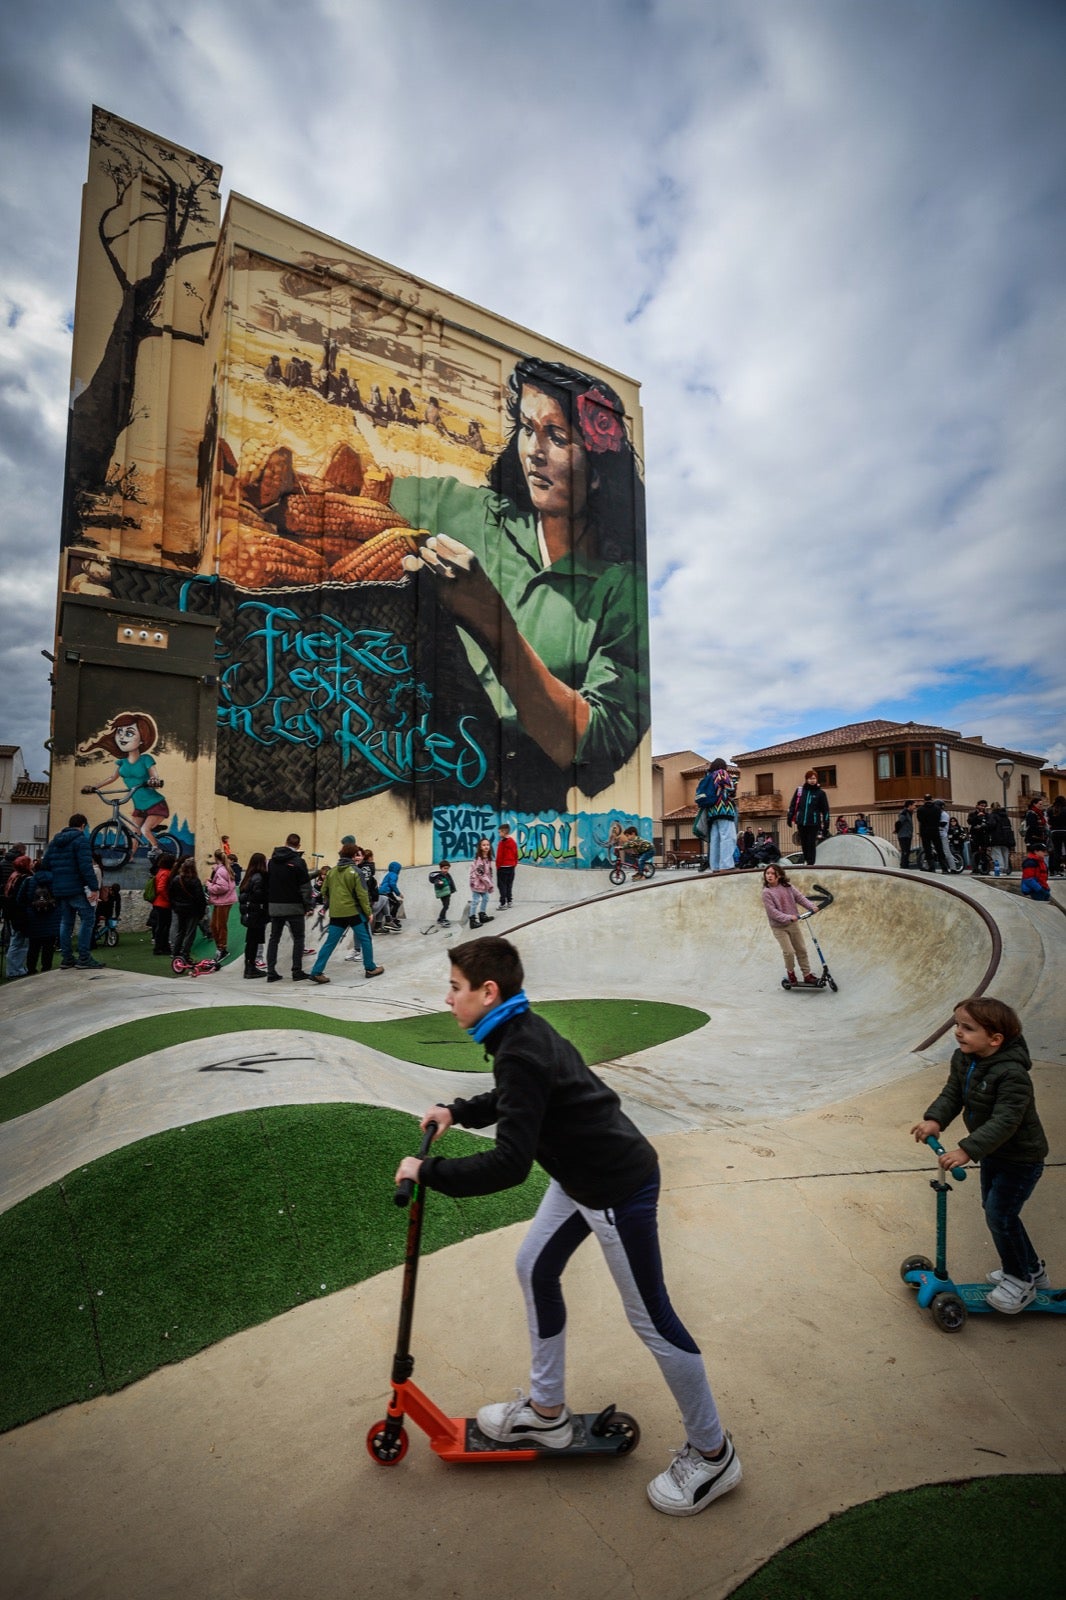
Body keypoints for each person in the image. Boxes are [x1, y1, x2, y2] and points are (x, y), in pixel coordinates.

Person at [395, 936, 741, 1517]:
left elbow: (509, 1165)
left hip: (614, 1188)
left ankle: (713, 1454)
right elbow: (517, 1098)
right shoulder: (519, 1032)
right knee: (535, 1267)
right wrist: (459, 1110)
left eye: (455, 988)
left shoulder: (520, 1047)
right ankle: (546, 1413)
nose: (448, 998)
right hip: (580, 1179)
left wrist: (428, 1170)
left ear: (488, 992)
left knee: (654, 1321)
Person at [393, 357, 649, 809]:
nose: (534, 449)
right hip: (417, 783)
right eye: (527, 429)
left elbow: (591, 744)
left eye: (557, 437)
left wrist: (490, 621)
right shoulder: (476, 514)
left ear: (596, 475)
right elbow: (365, 488)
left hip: (528, 822)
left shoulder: (619, 591)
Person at [911, 996, 1048, 1314]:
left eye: (968, 1028)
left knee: (1000, 1216)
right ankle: (1033, 1271)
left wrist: (966, 1150)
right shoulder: (964, 1059)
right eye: (957, 1024)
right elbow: (953, 1094)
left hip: (1021, 1158)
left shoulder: (1012, 1075)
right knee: (998, 1212)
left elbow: (1006, 1121)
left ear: (995, 1039)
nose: (958, 1032)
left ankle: (1020, 1281)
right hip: (994, 1154)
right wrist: (935, 1119)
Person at [77, 711, 170, 854]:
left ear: (142, 739)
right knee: (134, 832)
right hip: (139, 806)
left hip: (155, 804)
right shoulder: (122, 762)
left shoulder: (146, 759)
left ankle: (157, 850)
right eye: (119, 732)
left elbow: (154, 775)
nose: (121, 736)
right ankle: (130, 857)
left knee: (144, 829)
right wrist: (94, 787)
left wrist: (154, 781)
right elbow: (112, 778)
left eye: (129, 733)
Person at [308, 842, 384, 983]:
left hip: (337, 913)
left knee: (330, 942)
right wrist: (368, 912)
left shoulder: (332, 872)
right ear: (353, 855)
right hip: (354, 912)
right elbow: (362, 894)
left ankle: (316, 971)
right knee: (366, 939)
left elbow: (324, 891)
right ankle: (370, 967)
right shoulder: (357, 872)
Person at [39, 813, 100, 970]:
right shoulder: (81, 841)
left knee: (66, 923)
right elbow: (86, 867)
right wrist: (94, 887)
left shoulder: (54, 842)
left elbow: (45, 864)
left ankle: (67, 958)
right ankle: (84, 958)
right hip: (77, 888)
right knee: (88, 920)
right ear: (82, 826)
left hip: (59, 890)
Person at [760, 864, 818, 985]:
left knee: (801, 949)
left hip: (793, 924)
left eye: (772, 873)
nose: (769, 876)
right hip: (779, 927)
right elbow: (773, 912)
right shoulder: (767, 892)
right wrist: (788, 917)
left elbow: (800, 898)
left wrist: (811, 906)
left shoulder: (788, 887)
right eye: (767, 873)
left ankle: (807, 974)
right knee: (789, 952)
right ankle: (791, 973)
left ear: (779, 875)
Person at [266, 833, 312, 982]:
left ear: (285, 842)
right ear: (298, 846)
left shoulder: (272, 861)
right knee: (298, 938)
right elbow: (305, 887)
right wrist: (308, 905)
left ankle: (271, 971)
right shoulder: (299, 862)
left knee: (274, 938)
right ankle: (296, 970)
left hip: (275, 905)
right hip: (294, 906)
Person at [695, 759, 738, 873]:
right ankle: (726, 865)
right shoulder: (721, 773)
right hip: (724, 809)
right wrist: (734, 781)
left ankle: (715, 866)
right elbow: (730, 789)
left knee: (715, 839)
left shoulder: (708, 776)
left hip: (712, 811)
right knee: (728, 837)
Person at [168, 857, 207, 966]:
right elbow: (200, 898)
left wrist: (175, 906)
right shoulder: (195, 881)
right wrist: (202, 912)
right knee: (190, 933)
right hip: (192, 910)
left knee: (181, 931)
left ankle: (175, 952)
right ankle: (185, 953)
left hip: (180, 909)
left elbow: (171, 895)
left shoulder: (176, 879)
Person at [787, 770, 830, 867]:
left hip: (813, 823)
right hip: (801, 822)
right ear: (806, 779)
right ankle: (806, 860)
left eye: (814, 778)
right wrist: (789, 817)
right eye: (810, 778)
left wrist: (826, 824)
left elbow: (825, 810)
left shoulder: (821, 793)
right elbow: (793, 805)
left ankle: (811, 863)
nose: (812, 780)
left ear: (817, 780)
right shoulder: (800, 791)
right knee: (804, 843)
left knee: (811, 843)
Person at [238, 852, 269, 978]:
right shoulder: (259, 877)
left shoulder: (249, 876)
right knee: (254, 941)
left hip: (250, 914)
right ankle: (251, 968)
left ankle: (249, 966)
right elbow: (259, 895)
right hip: (257, 914)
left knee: (251, 941)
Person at [24, 863, 60, 975]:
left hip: (33, 917)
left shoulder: (29, 880)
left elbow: (21, 898)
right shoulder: (55, 880)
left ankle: (31, 969)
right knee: (48, 947)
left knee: (33, 947)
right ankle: (46, 969)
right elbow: (60, 897)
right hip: (51, 918)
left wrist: (29, 907)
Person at [2, 854, 34, 978]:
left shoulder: (13, 877)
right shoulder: (25, 878)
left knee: (16, 942)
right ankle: (15, 970)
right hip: (20, 914)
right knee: (19, 943)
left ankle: (16, 968)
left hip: (12, 914)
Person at [206, 849, 237, 960]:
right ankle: (220, 947)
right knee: (215, 925)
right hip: (221, 901)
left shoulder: (221, 871)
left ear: (216, 858)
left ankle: (222, 948)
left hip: (224, 901)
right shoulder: (223, 869)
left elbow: (223, 887)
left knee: (220, 926)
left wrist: (209, 885)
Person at [915, 794, 949, 874]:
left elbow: (920, 820)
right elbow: (938, 819)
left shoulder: (920, 809)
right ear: (931, 799)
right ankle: (944, 868)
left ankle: (931, 867)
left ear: (924, 800)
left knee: (928, 849)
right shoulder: (937, 809)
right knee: (939, 849)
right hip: (935, 830)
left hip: (925, 831)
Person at [468, 839, 495, 928]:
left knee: (486, 898)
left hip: (484, 884)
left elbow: (488, 872)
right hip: (477, 883)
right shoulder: (479, 859)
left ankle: (482, 915)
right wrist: (489, 884)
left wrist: (490, 882)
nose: (486, 846)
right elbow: (480, 873)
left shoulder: (487, 858)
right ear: (480, 847)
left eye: (488, 844)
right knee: (475, 901)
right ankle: (472, 920)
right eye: (484, 845)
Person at [373, 860, 405, 933]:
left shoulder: (388, 874)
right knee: (396, 903)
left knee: (388, 905)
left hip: (383, 892)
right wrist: (398, 893)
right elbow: (392, 884)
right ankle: (392, 919)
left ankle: (379, 926)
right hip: (386, 892)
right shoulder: (394, 875)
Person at [495, 824, 518, 909]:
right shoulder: (513, 842)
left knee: (502, 885)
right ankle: (509, 901)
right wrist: (514, 863)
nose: (499, 834)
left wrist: (498, 866)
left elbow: (499, 856)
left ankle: (503, 903)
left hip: (502, 867)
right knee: (509, 884)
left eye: (499, 832)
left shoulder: (501, 843)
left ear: (504, 832)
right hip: (511, 866)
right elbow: (516, 854)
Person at [989, 802, 1015, 876]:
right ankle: (1005, 869)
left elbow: (991, 825)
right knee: (1005, 853)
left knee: (997, 853)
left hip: (996, 837)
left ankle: (999, 869)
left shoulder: (993, 815)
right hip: (1006, 837)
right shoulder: (1005, 816)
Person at [967, 801, 993, 876]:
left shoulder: (987, 815)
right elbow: (970, 822)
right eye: (981, 806)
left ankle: (985, 869)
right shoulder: (972, 814)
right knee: (974, 851)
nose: (983, 807)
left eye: (984, 806)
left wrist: (984, 826)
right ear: (977, 806)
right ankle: (975, 869)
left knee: (984, 852)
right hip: (975, 835)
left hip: (984, 835)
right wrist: (978, 816)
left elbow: (990, 824)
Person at [428, 860, 457, 926]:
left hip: (447, 893)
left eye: (447, 868)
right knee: (446, 906)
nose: (446, 870)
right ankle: (441, 918)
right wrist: (439, 883)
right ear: (441, 868)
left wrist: (452, 890)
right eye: (444, 868)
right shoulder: (439, 876)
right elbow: (436, 882)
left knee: (446, 906)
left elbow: (451, 882)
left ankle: (442, 918)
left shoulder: (447, 875)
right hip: (443, 894)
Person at [1047, 796, 1066, 878]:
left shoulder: (1051, 810)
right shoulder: (1065, 809)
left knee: (1057, 851)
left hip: (1054, 832)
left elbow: (1049, 821)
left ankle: (1057, 870)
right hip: (1065, 831)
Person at [894, 800, 916, 870]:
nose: (915, 807)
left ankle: (905, 865)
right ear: (909, 805)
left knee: (907, 850)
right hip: (904, 835)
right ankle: (903, 866)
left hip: (907, 834)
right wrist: (897, 830)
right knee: (905, 851)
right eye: (914, 805)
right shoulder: (904, 813)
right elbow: (899, 822)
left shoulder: (909, 813)